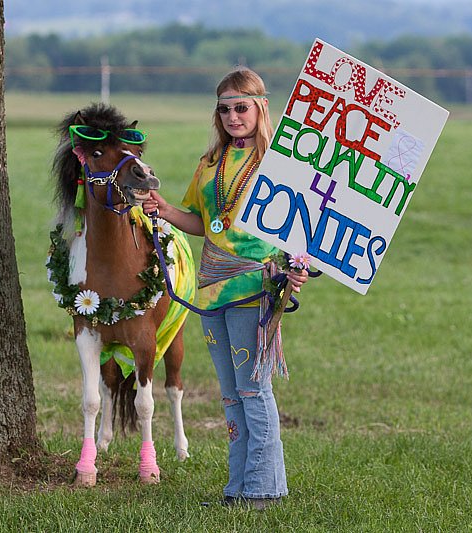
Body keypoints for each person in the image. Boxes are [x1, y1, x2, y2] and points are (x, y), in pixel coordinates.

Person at [142, 67, 308, 510]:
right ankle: (238, 488)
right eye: (225, 109)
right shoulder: (209, 164)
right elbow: (202, 223)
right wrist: (164, 210)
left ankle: (264, 489)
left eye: (242, 107)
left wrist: (299, 268)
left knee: (255, 391)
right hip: (209, 290)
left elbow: (304, 231)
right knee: (231, 395)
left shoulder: (282, 166)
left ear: (261, 108)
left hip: (255, 288)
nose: (233, 116)